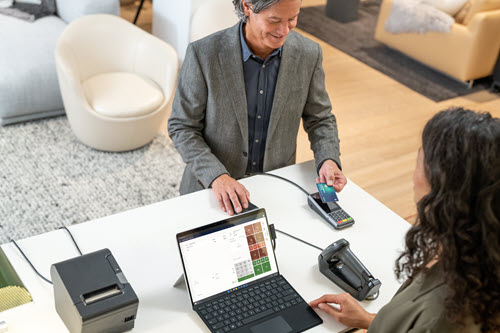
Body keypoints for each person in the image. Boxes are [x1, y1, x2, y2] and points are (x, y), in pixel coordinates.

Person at [310, 108, 500, 332]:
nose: (413, 176)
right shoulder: (477, 258)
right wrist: (370, 320)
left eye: (419, 160)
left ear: (441, 187)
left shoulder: (437, 317)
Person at [168, 0, 346, 215]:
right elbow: (182, 126)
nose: (283, 30)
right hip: (212, 190)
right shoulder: (203, 54)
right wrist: (217, 176)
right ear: (246, 7)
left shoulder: (309, 53)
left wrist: (328, 158)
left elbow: (320, 119)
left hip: (276, 186)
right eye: (274, 20)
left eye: (292, 19)